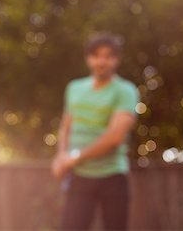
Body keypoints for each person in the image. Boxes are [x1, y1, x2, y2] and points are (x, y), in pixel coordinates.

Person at [52, 33, 139, 231]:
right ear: (88, 59)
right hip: (80, 178)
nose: (102, 61)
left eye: (108, 56)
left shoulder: (125, 90)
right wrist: (61, 155)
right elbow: (66, 126)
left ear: (116, 60)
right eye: (96, 55)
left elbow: (115, 137)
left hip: (113, 177)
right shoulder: (74, 88)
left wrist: (74, 158)